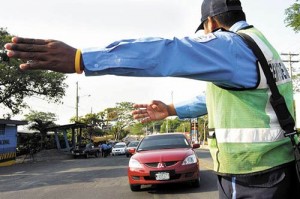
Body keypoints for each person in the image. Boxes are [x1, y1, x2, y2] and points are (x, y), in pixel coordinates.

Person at [4, 0, 299, 197]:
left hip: (252, 177)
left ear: (210, 24)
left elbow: (169, 51)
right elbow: (213, 98)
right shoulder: (262, 45)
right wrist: (171, 109)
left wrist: (83, 59)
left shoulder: (230, 45)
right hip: (280, 171)